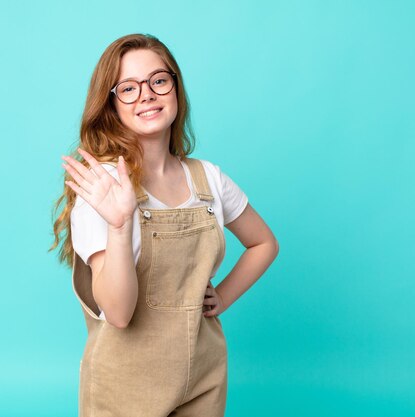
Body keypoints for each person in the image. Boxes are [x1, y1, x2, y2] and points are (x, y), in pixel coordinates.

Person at [50, 33, 279, 417]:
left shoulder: (209, 179)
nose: (147, 94)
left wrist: (221, 297)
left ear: (175, 87)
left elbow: (264, 244)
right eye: (128, 88)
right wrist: (120, 225)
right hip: (124, 389)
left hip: (203, 379)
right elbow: (119, 314)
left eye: (159, 80)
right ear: (111, 106)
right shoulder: (103, 188)